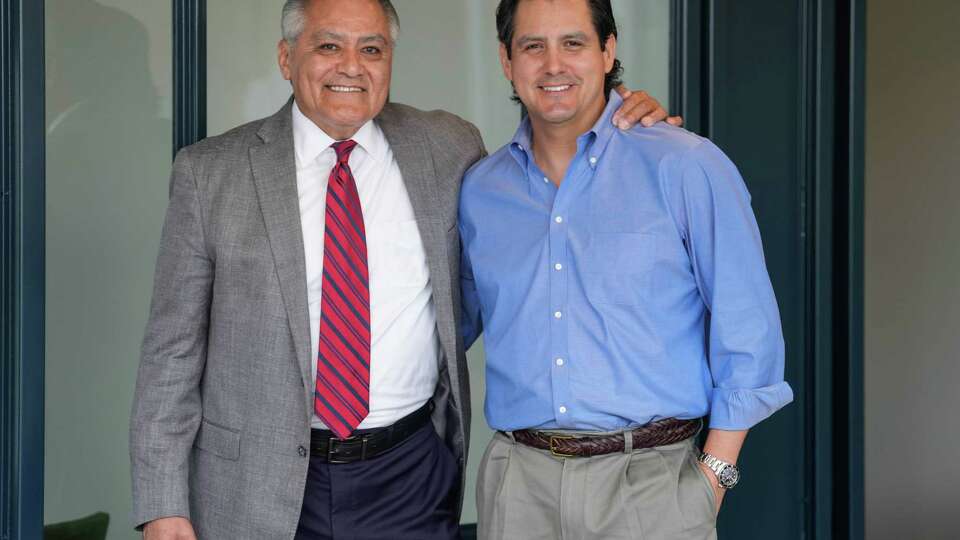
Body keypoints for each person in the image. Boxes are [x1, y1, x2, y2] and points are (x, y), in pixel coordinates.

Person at [129, 0, 673, 538]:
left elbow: (550, 141)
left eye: (372, 48)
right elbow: (171, 353)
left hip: (408, 477)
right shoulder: (210, 174)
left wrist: (619, 114)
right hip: (254, 483)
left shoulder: (449, 147)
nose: (351, 66)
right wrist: (163, 505)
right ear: (285, 57)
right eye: (328, 46)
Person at [459, 0, 794, 538]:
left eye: (573, 43)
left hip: (654, 486)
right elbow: (445, 327)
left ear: (608, 49)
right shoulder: (480, 190)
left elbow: (749, 332)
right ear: (506, 59)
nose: (553, 65)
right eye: (532, 46)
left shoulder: (686, 165)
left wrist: (714, 478)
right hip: (519, 486)